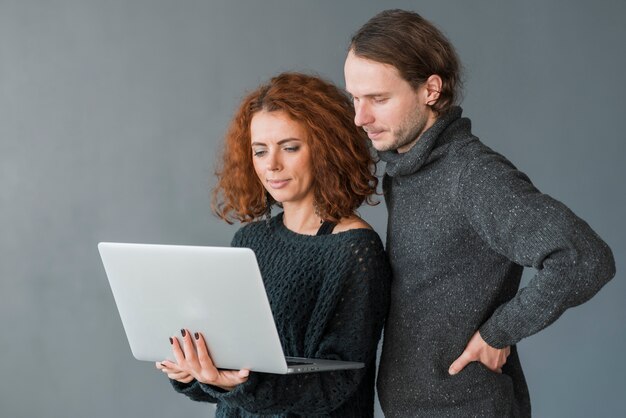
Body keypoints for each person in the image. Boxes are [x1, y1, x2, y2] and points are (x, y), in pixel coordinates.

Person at [343, 9, 615, 418]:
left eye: (378, 99)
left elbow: (584, 258)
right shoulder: (403, 169)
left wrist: (498, 333)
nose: (360, 118)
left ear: (430, 90)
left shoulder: (472, 175)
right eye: (354, 98)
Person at [154, 72, 391, 417]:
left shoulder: (355, 250)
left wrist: (238, 385)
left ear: (327, 150)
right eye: (260, 151)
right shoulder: (250, 240)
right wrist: (197, 373)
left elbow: (338, 383)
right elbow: (233, 371)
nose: (272, 165)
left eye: (290, 147)